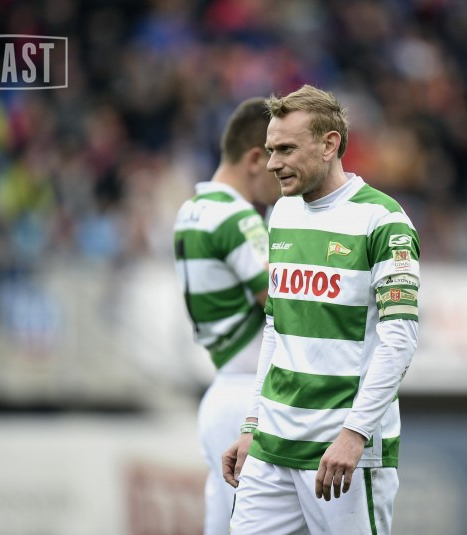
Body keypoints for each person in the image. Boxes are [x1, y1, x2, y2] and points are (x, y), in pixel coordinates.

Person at [221, 84, 420, 534]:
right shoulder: (282, 214)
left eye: (286, 149)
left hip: (341, 452)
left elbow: (400, 340)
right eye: (270, 150)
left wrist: (355, 433)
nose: (272, 163)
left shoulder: (384, 221)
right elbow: (276, 328)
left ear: (329, 145)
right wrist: (253, 423)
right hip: (272, 446)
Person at [172, 97, 280, 535]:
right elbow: (282, 301)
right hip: (248, 397)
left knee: (222, 524)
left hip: (222, 389)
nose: (282, 177)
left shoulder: (191, 211)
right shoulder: (238, 218)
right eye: (277, 160)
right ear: (255, 159)